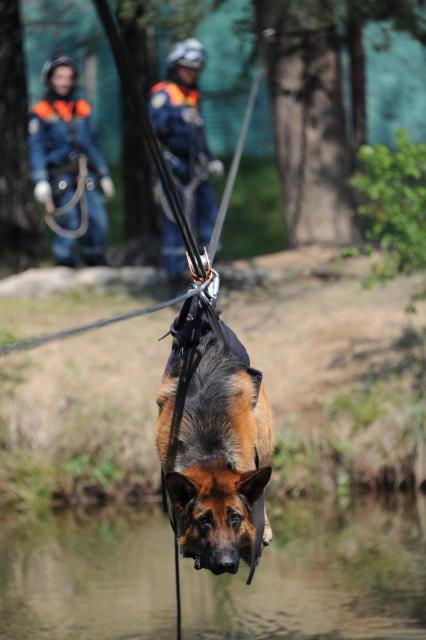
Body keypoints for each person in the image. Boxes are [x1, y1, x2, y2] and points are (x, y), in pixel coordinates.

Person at [148, 38, 224, 293]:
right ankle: (173, 278)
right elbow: (157, 129)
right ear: (176, 66)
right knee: (176, 223)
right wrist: (180, 120)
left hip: (196, 169)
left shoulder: (193, 96)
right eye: (186, 67)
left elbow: (199, 134)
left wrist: (210, 157)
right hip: (174, 170)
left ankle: (208, 273)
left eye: (196, 68)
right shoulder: (163, 94)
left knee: (208, 219)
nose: (191, 73)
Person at [28, 52, 115, 267]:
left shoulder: (81, 108)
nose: (65, 82)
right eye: (59, 77)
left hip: (86, 173)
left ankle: (96, 263)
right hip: (60, 174)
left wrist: (104, 174)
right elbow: (36, 147)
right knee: (69, 220)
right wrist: (40, 179)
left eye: (68, 77)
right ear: (49, 79)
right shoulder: (41, 111)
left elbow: (92, 143)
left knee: (97, 220)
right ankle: (64, 265)